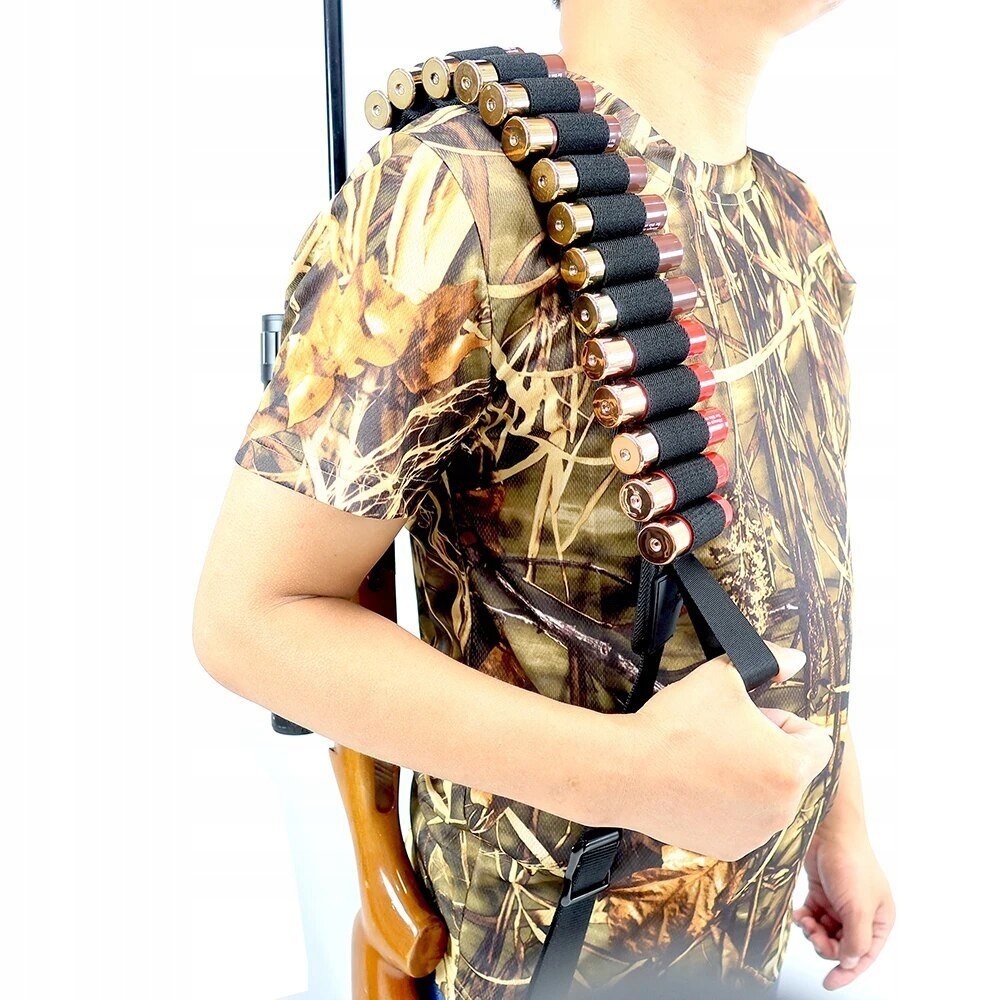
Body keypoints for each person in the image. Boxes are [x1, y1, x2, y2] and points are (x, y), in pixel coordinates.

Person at [192, 0, 895, 996]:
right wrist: (630, 773)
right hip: (548, 956)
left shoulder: (787, 216)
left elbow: (777, 563)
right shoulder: (456, 185)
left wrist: (837, 815)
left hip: (741, 950)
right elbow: (252, 619)